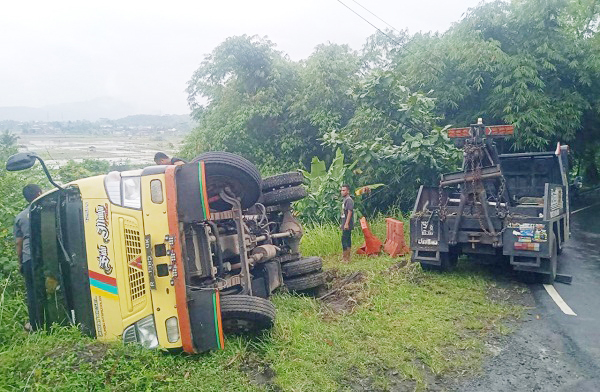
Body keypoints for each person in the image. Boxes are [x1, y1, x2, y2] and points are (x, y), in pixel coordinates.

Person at [14, 184, 43, 331]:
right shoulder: (46, 211)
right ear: (40, 193)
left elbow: (19, 242)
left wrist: (21, 262)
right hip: (47, 257)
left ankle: (35, 324)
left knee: (32, 293)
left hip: (28, 258)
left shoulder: (20, 217)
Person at [340, 184, 354, 263]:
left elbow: (349, 212)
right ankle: (347, 258)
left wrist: (346, 223)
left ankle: (346, 258)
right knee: (347, 239)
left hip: (347, 224)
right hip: (345, 222)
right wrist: (342, 223)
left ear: (348, 191)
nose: (342, 192)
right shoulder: (345, 199)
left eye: (344, 190)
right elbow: (343, 213)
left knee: (344, 240)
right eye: (341, 190)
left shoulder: (349, 200)